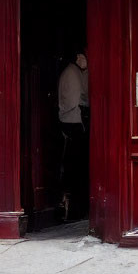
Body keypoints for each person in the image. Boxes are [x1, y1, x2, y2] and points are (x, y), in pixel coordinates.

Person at [58, 51, 89, 221]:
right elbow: (80, 98)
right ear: (78, 57)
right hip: (73, 123)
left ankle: (74, 208)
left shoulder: (73, 72)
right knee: (76, 167)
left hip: (71, 122)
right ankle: (75, 210)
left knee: (74, 167)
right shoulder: (72, 73)